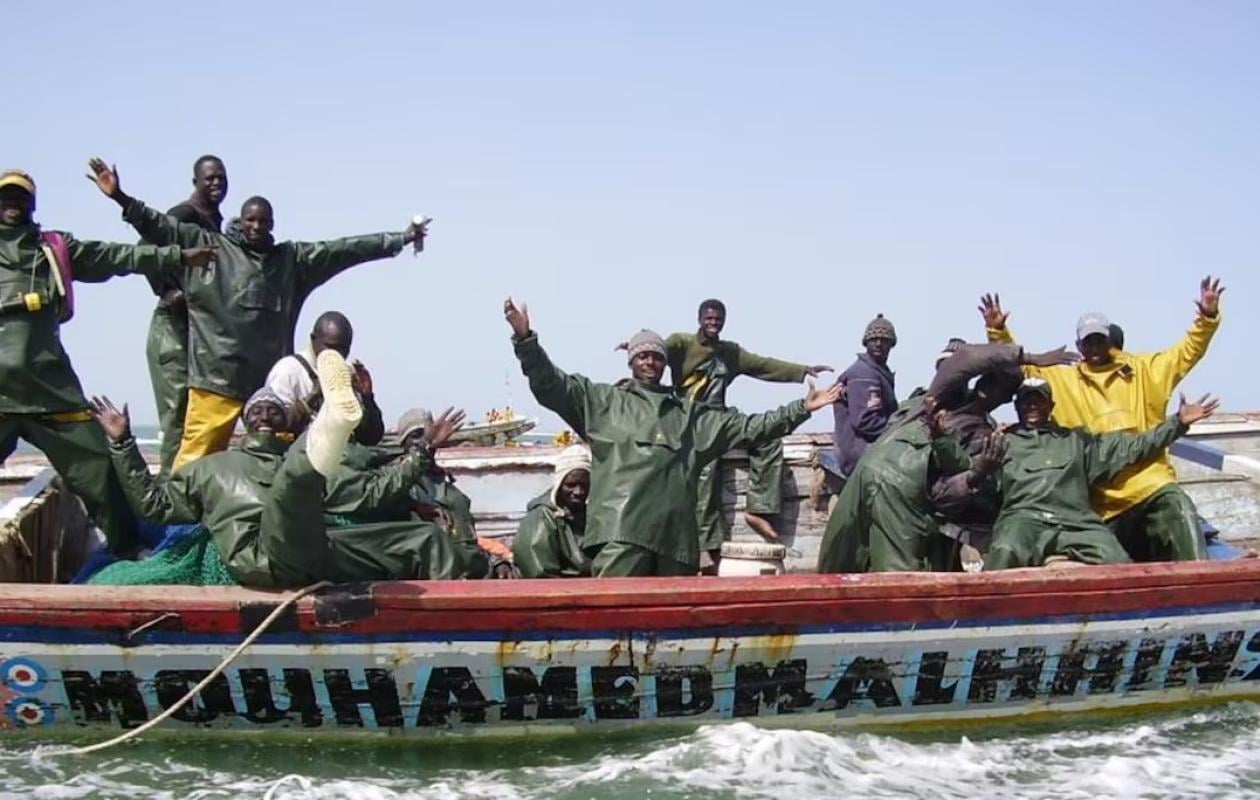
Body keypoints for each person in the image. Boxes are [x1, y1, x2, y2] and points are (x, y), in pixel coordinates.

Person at [88, 158, 427, 470]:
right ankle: (179, 528)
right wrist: (119, 197)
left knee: (278, 461)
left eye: (263, 221)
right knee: (192, 463)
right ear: (241, 220)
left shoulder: (291, 261)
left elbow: (344, 249)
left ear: (273, 224)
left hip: (265, 390)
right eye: (250, 219)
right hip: (214, 381)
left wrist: (397, 239)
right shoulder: (212, 248)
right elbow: (158, 226)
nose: (256, 226)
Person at [508, 298, 841, 577]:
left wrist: (802, 408)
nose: (650, 361)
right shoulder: (601, 401)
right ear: (631, 361)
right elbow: (550, 384)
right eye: (642, 355)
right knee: (616, 621)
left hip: (676, 544)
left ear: (666, 363)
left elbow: (750, 427)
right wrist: (526, 340)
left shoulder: (689, 415)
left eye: (656, 356)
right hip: (620, 535)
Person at [90, 352, 479, 587]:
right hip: (259, 557)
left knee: (424, 538)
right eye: (255, 410)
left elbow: (371, 492)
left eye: (272, 408)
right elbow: (154, 505)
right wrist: (123, 444)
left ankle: (465, 623)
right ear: (243, 424)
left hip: (315, 551)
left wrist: (423, 449)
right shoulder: (212, 469)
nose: (262, 413)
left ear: (285, 420)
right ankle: (333, 419)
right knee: (294, 482)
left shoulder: (306, 459)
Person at [0, 169, 215, 555]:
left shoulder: (54, 249)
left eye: (19, 198)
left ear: (32, 205)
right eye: (5, 198)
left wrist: (179, 256)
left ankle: (127, 550)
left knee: (100, 470)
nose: (12, 205)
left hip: (51, 393)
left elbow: (120, 256)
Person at [980, 278, 1223, 562]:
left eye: (1099, 339)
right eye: (1088, 340)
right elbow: (1023, 371)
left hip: (1149, 485)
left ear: (1110, 340)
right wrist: (998, 331)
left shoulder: (1144, 370)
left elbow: (1186, 352)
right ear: (1078, 345)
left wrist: (1206, 318)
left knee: (1179, 509)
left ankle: (1200, 591)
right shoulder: (1063, 381)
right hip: (1101, 503)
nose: (1094, 345)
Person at [660, 298, 832, 558]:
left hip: (721, 418)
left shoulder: (730, 353)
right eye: (709, 319)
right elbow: (656, 350)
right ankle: (707, 550)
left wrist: (802, 370)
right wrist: (638, 347)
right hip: (690, 421)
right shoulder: (681, 344)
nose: (713, 324)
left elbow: (763, 366)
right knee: (706, 474)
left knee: (768, 438)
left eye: (718, 320)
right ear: (699, 320)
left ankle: (758, 509)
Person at [984, 380, 1219, 570]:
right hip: (1024, 520)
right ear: (1016, 407)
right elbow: (968, 475)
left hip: (1075, 521)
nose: (1032, 406)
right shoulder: (1001, 441)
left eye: (1038, 400)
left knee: (1118, 561)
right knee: (1004, 551)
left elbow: (1135, 445)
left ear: (1051, 406)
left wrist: (1177, 423)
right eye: (1027, 401)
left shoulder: (1077, 440)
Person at [816, 397, 991, 574]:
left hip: (881, 471)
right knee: (899, 575)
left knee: (845, 558)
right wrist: (973, 476)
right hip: (899, 484)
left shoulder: (914, 406)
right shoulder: (965, 422)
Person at [145, 155, 229, 477]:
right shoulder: (182, 215)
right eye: (209, 178)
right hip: (172, 328)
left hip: (196, 330)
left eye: (221, 177)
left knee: (196, 415)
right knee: (177, 416)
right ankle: (170, 499)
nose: (217, 183)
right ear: (195, 182)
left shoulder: (215, 220)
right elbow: (146, 247)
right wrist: (166, 290)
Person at [265, 311, 385, 445]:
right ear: (313, 339)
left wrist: (367, 398)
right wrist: (313, 396)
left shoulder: (347, 373)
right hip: (297, 460)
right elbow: (272, 429)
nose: (336, 354)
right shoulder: (288, 371)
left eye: (343, 349)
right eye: (330, 347)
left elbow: (371, 438)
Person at [830, 314, 898, 481]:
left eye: (884, 340)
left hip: (867, 446)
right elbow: (866, 422)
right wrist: (899, 429)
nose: (878, 343)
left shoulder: (878, 371)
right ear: (866, 342)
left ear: (891, 345)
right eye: (873, 339)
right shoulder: (864, 373)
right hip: (858, 451)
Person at [512, 445, 593, 578]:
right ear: (559, 484)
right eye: (571, 485)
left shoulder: (590, 514)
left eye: (584, 485)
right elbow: (540, 573)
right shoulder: (541, 518)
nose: (579, 492)